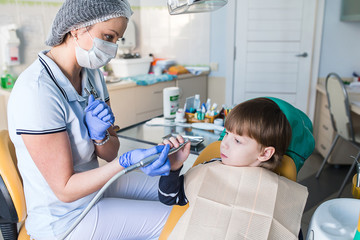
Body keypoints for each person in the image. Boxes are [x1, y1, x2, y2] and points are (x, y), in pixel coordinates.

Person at [7, 0, 172, 239]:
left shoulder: (92, 73)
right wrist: (126, 163)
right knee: (177, 220)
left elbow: (109, 153)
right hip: (65, 219)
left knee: (177, 191)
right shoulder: (37, 91)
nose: (113, 48)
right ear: (76, 28)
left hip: (95, 190)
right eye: (108, 36)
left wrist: (100, 136)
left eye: (117, 39)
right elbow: (64, 190)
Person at [158, 97, 308, 239]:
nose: (224, 143)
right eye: (227, 134)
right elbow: (169, 197)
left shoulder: (279, 193)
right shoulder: (208, 170)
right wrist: (173, 168)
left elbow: (289, 232)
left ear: (265, 153)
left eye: (237, 140)